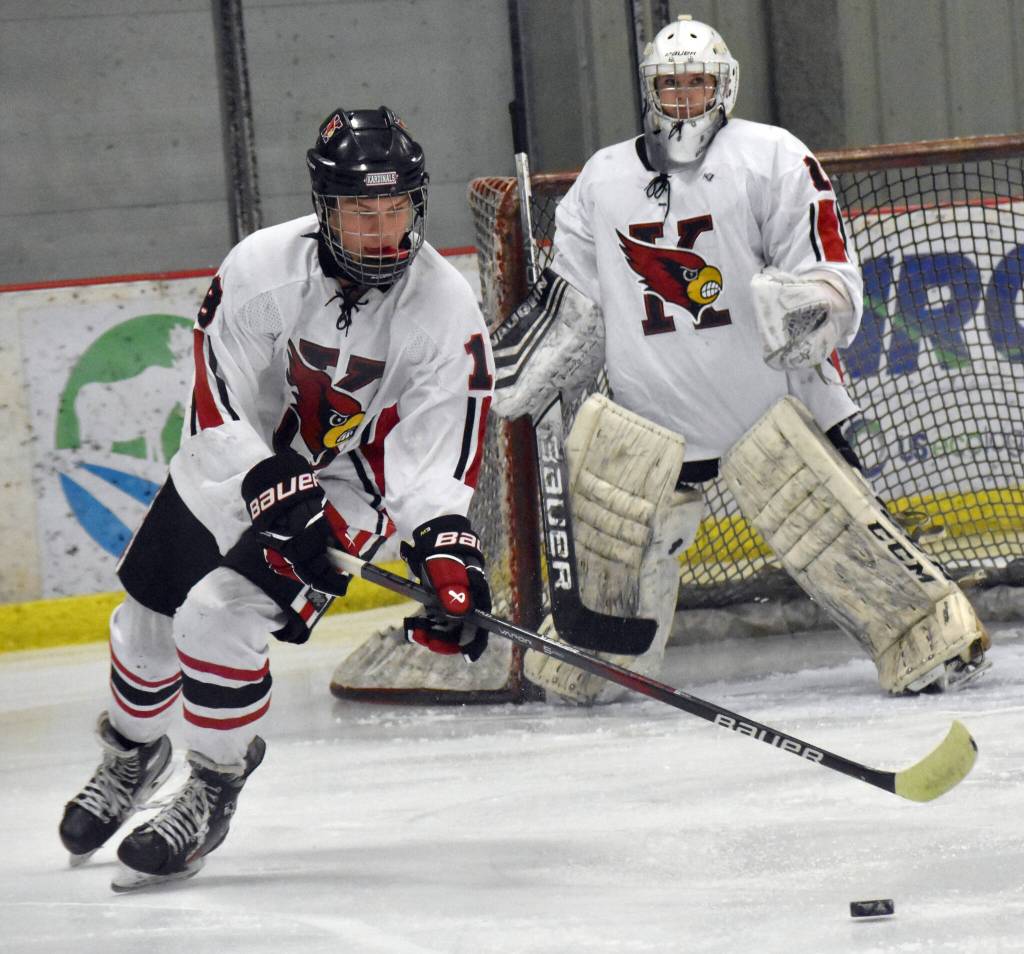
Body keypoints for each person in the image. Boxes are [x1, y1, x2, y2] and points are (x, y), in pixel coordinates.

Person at [489, 14, 991, 704]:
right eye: (671, 85)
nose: (685, 98)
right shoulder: (603, 179)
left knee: (831, 529)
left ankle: (923, 631)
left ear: (723, 86)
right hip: (651, 417)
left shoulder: (773, 156)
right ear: (649, 91)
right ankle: (595, 659)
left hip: (769, 405)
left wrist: (802, 303)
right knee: (605, 542)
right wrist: (519, 360)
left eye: (697, 83)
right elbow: (570, 300)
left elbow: (833, 276)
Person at [58, 106, 495, 890]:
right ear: (326, 209)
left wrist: (444, 545)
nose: (383, 230)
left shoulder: (446, 308)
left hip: (344, 485)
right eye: (362, 211)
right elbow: (215, 397)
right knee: (146, 629)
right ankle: (132, 753)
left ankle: (213, 783)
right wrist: (262, 479)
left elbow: (434, 455)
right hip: (235, 464)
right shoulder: (261, 269)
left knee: (217, 618)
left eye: (396, 209)